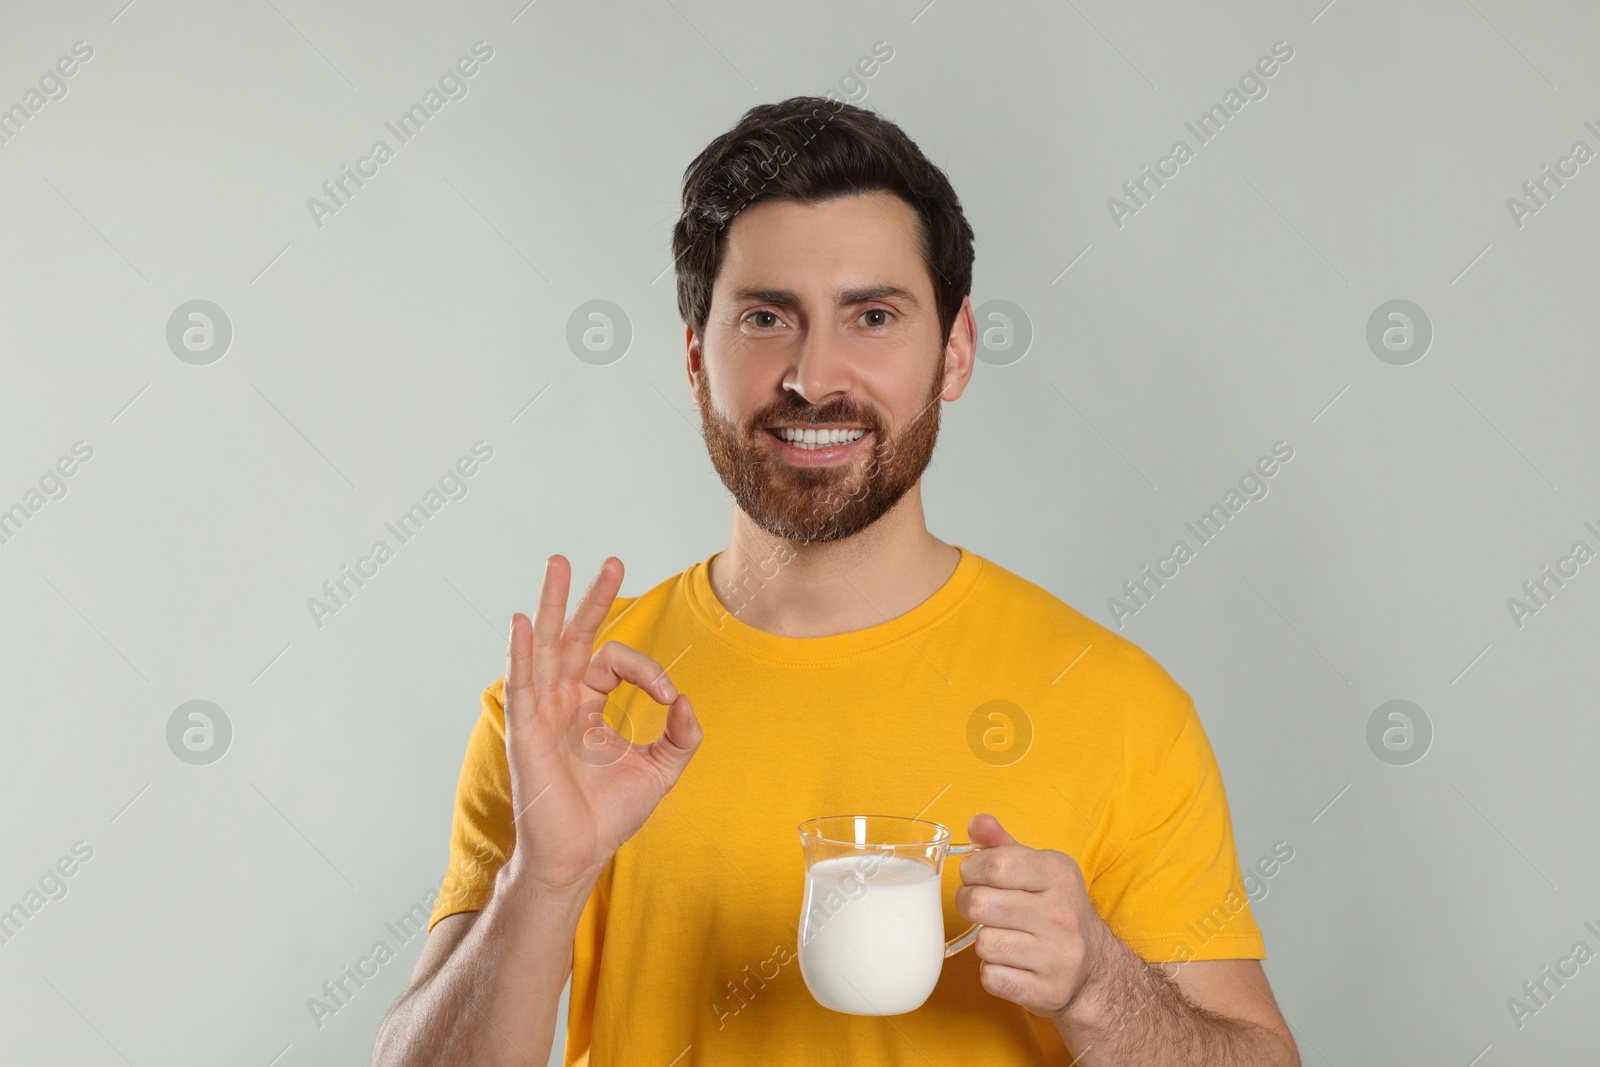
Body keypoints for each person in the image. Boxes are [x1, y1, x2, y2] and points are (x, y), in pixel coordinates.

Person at [372, 96, 1299, 1067]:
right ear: (696, 358)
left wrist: (1102, 988)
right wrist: (545, 880)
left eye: (872, 315)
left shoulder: (1119, 707)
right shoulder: (572, 714)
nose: (814, 375)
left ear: (956, 350)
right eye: (767, 316)